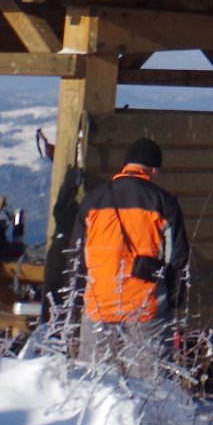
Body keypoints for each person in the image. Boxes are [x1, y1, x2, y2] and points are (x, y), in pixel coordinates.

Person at [79, 138, 185, 368]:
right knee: (149, 389)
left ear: (125, 166)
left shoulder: (92, 201)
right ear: (154, 169)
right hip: (145, 306)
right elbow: (177, 257)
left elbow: (77, 255)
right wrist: (175, 298)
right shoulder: (163, 202)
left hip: (98, 304)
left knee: (95, 385)